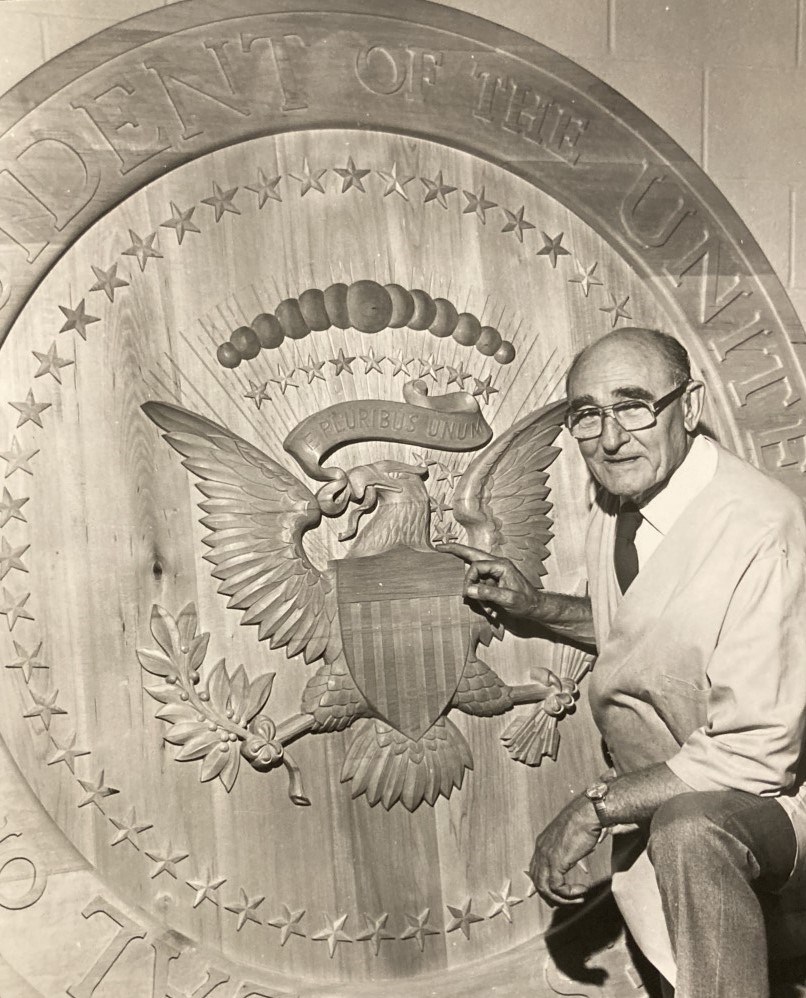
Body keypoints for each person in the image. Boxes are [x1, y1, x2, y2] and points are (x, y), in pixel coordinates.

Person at [441, 327, 806, 998]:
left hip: (772, 808)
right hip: (663, 805)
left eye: (635, 405)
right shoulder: (621, 503)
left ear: (688, 407)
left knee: (691, 828)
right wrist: (538, 606)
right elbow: (656, 632)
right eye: (587, 414)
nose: (611, 438)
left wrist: (593, 808)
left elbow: (758, 755)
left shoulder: (762, 527)